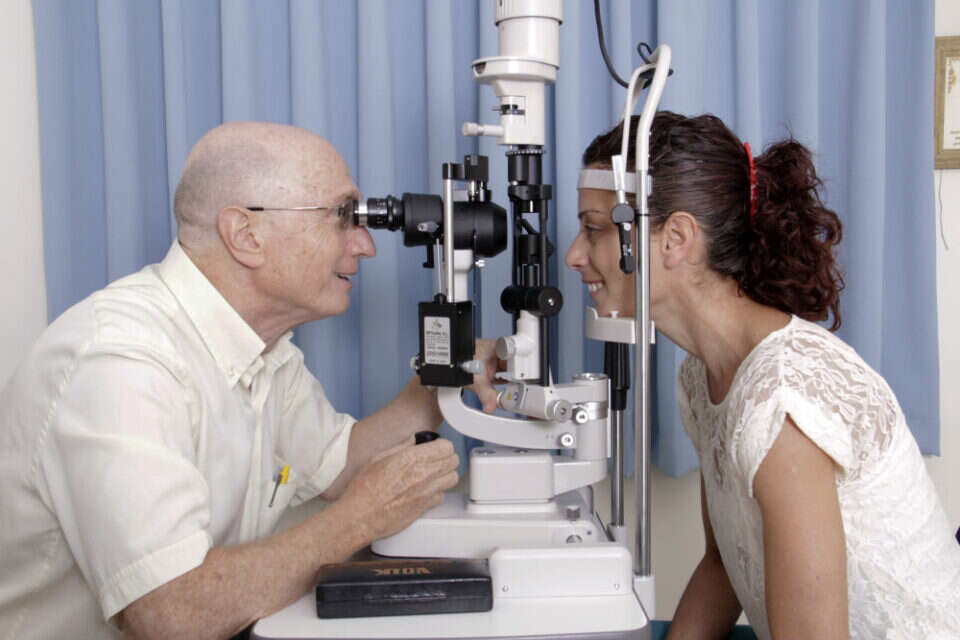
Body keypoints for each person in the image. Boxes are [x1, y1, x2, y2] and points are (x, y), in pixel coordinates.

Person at [0, 122, 500, 639]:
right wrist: (364, 516)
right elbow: (172, 615)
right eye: (342, 216)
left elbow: (341, 463)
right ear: (245, 235)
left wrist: (445, 381)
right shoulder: (120, 363)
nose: (366, 244)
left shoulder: (265, 351)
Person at [566, 112, 960, 639]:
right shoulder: (701, 379)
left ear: (675, 238)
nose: (573, 255)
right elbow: (722, 566)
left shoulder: (783, 399)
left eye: (593, 230)